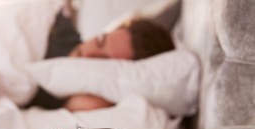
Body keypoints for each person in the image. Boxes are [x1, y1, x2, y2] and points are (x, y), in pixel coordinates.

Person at [24, 15, 175, 111]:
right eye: (99, 41)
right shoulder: (59, 24)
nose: (88, 54)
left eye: (103, 61)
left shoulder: (91, 100)